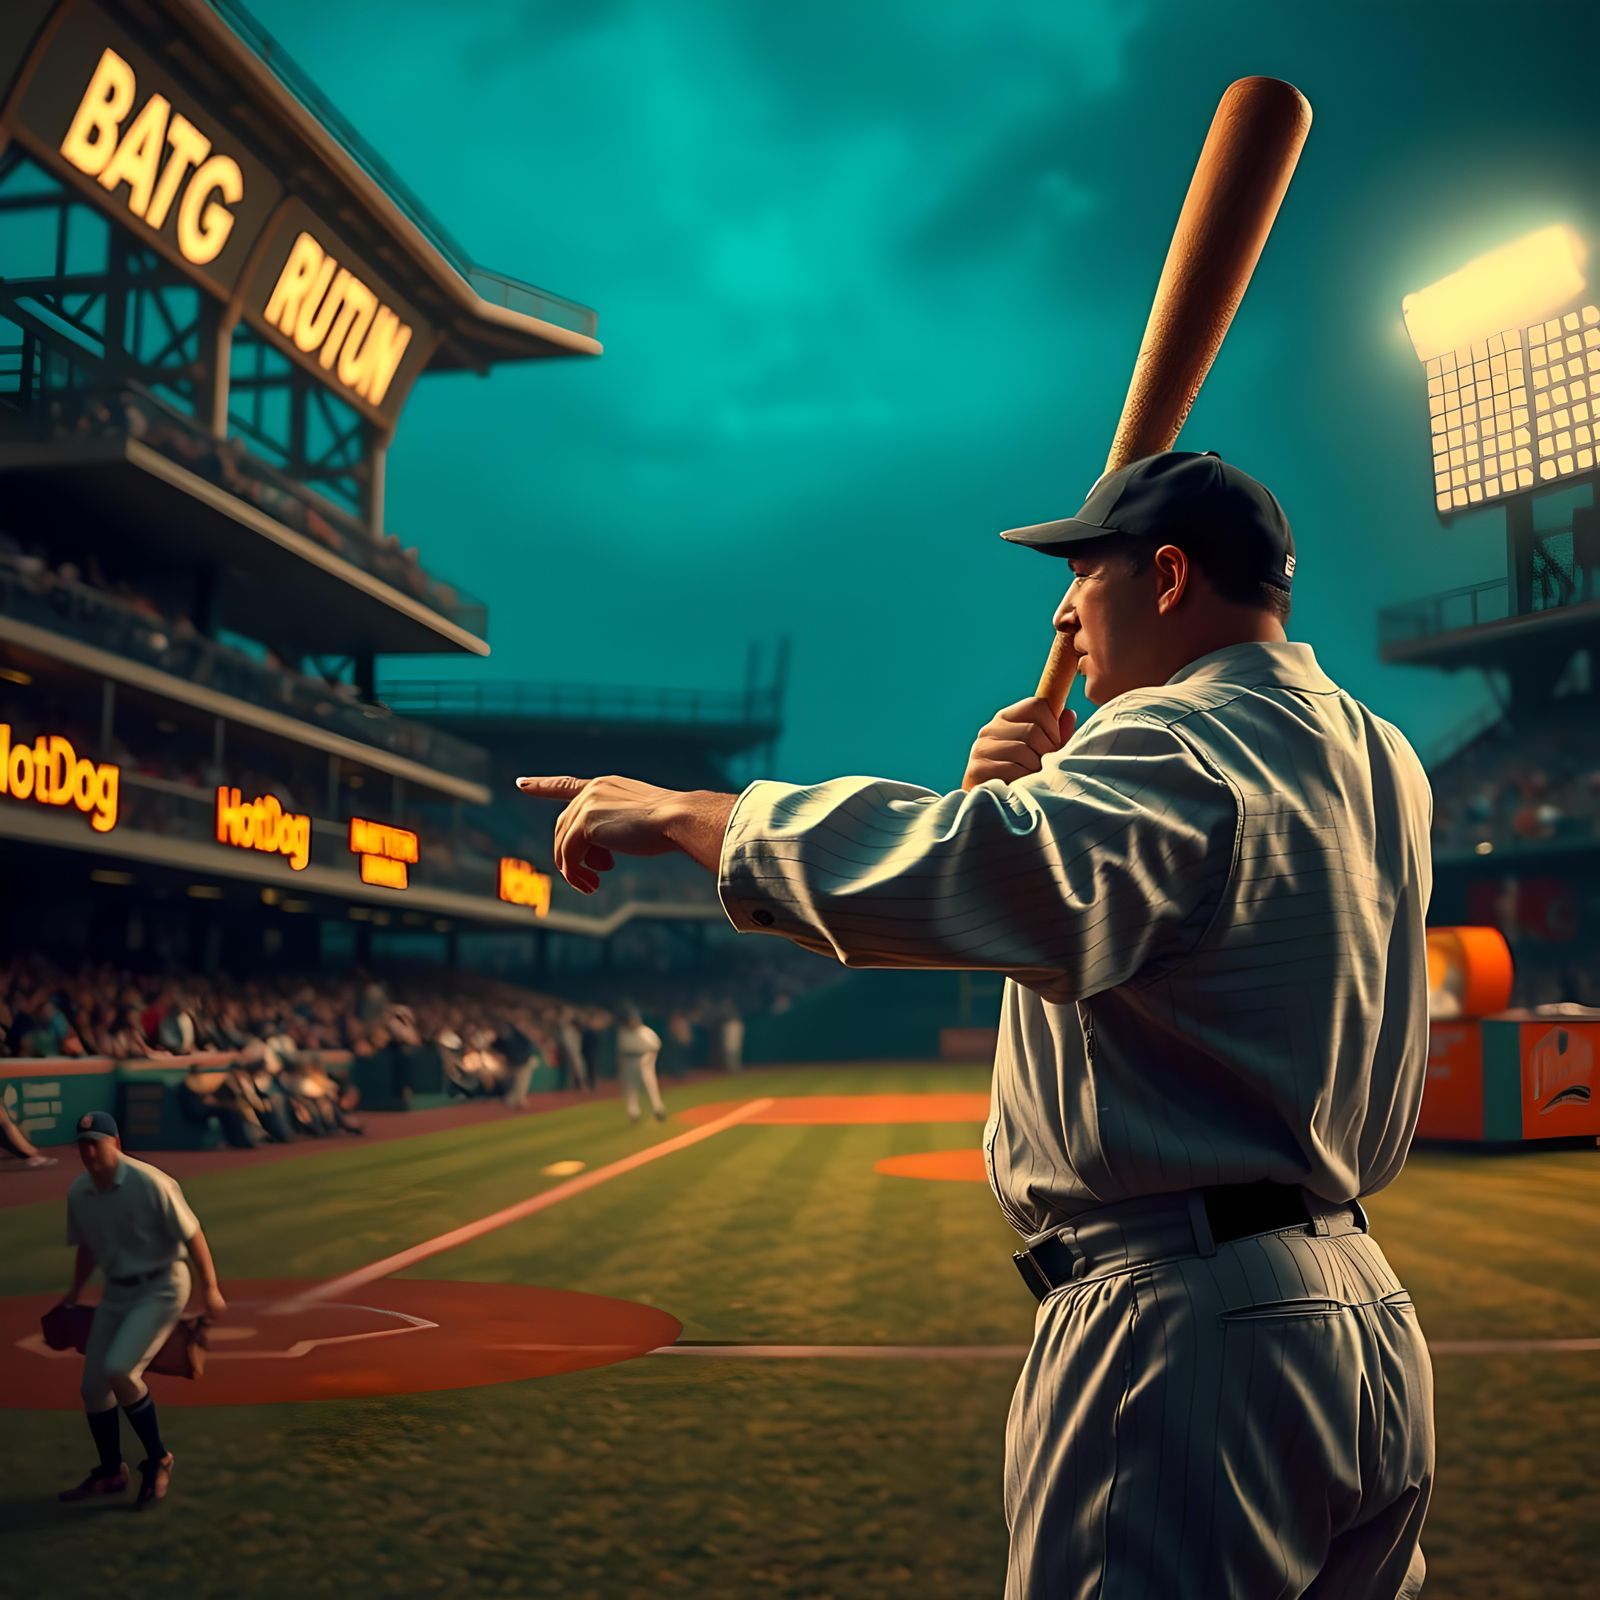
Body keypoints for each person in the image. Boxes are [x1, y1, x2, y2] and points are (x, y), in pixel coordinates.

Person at [518, 450, 1437, 1599]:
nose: (1062, 613)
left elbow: (962, 876)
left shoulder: (1171, 738)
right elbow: (1127, 920)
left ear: (1166, 577)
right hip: (1363, 1317)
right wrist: (1023, 797)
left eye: (1083, 574)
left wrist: (688, 811)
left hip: (1184, 1326)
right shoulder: (1380, 756)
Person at [56, 1110, 226, 1509]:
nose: (89, 1152)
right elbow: (88, 1247)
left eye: (95, 1144)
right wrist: (74, 1292)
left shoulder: (151, 1183)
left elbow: (192, 1234)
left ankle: (158, 1459)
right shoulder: (80, 1192)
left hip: (163, 1286)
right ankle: (111, 1472)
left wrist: (211, 1289)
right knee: (93, 1388)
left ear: (115, 1144)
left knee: (120, 1370)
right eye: (83, 1146)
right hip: (117, 1292)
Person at [613, 1003, 666, 1124]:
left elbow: (656, 1046)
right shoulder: (623, 1032)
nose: (634, 1021)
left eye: (635, 1019)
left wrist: (649, 1059)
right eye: (631, 1019)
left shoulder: (645, 1031)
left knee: (650, 1085)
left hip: (644, 1059)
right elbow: (620, 1051)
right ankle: (633, 1113)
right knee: (630, 1088)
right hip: (628, 1061)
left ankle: (658, 1109)